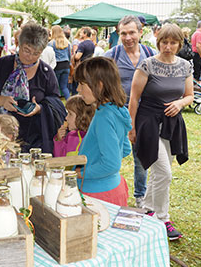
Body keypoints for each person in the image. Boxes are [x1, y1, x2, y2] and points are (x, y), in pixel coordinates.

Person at [128, 23, 193, 241]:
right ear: (158, 43)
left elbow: (189, 95)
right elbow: (134, 99)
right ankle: (163, 218)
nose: (168, 46)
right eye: (164, 42)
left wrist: (180, 103)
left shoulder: (185, 66)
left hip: (172, 123)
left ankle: (147, 209)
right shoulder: (147, 65)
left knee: (159, 173)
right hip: (148, 122)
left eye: (173, 42)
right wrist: (132, 127)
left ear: (179, 44)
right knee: (164, 172)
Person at [0, 23, 65, 153]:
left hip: (34, 138)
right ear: (19, 44)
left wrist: (39, 109)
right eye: (27, 50)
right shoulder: (2, 64)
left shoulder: (46, 73)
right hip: (1, 135)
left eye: (36, 53)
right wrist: (2, 101)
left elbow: (55, 105)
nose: (30, 56)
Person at [105, 15, 156, 208]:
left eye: (132, 32)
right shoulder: (112, 54)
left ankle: (140, 196)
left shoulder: (150, 54)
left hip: (144, 115)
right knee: (113, 155)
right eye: (123, 33)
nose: (128, 38)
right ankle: (112, 191)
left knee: (141, 158)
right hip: (116, 114)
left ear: (140, 32)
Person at [74, 57, 132, 206]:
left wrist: (79, 173)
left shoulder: (103, 117)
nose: (78, 89)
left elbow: (111, 164)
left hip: (97, 193)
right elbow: (125, 149)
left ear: (98, 85)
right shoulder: (118, 109)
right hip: (113, 187)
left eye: (81, 84)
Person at [49, 25, 72, 98]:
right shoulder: (67, 42)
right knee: (64, 87)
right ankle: (69, 102)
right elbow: (69, 55)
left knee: (55, 87)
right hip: (66, 65)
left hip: (57, 65)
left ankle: (56, 103)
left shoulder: (51, 43)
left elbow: (51, 55)